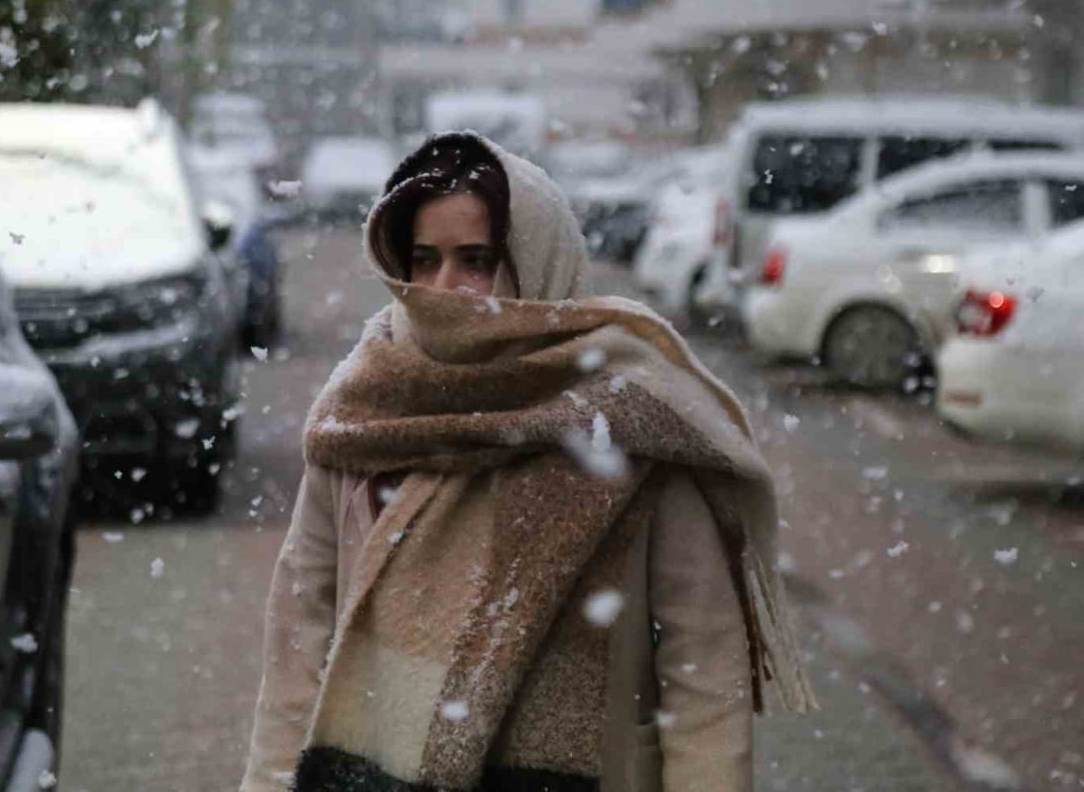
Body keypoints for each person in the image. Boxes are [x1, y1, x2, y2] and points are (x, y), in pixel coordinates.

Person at [241, 132, 816, 792]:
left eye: (475, 259)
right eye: (423, 259)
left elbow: (703, 670)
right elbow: (299, 639)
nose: (443, 286)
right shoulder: (365, 409)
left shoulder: (629, 416)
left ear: (537, 260)